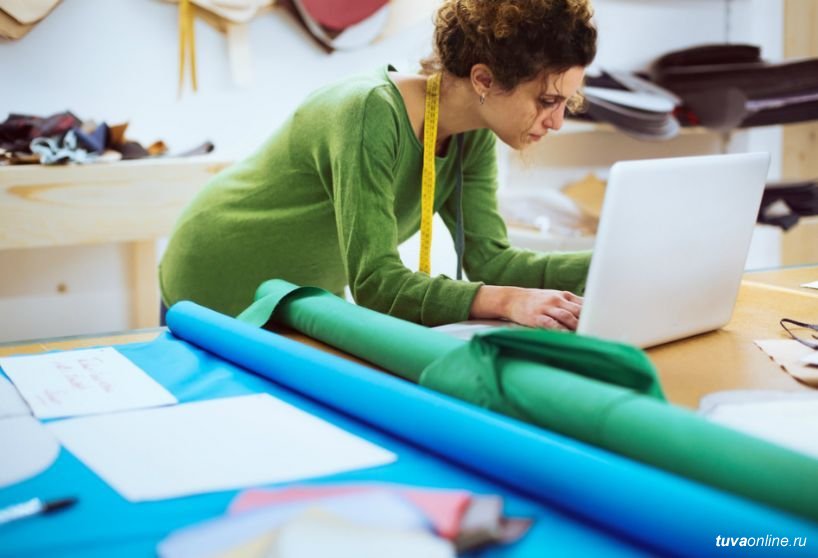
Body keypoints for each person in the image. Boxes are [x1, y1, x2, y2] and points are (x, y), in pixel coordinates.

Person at [159, 0, 597, 330]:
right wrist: (505, 300)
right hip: (214, 277)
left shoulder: (474, 134)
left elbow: (492, 262)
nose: (557, 121)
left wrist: (612, 263)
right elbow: (376, 284)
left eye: (566, 102)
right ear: (483, 79)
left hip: (298, 296)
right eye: (547, 100)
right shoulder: (370, 111)